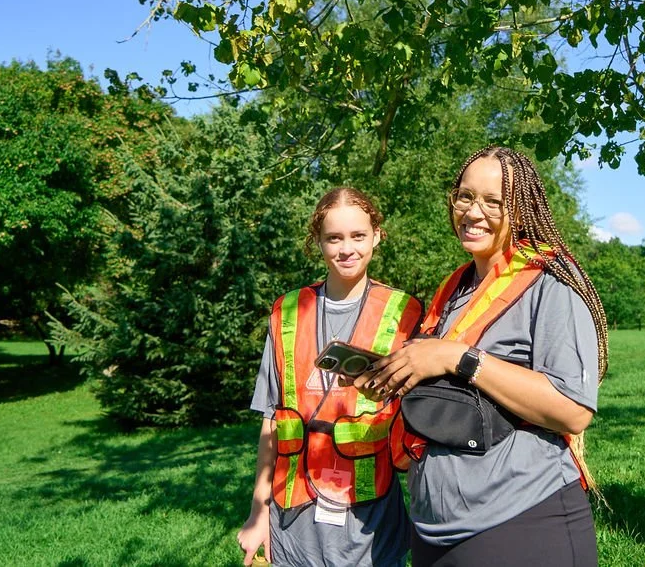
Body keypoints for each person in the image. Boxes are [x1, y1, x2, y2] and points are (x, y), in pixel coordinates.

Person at [357, 146, 609, 567]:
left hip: (520, 523)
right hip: (435, 530)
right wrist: (394, 376)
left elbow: (573, 408)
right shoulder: (455, 288)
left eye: (494, 201)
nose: (474, 212)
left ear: (523, 209)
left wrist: (460, 358)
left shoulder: (551, 283)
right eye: (465, 196)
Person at [238, 187, 423, 567]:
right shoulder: (287, 311)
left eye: (358, 236)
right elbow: (272, 419)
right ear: (317, 242)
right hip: (293, 524)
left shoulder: (405, 313)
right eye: (333, 238)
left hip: (371, 524)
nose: (346, 248)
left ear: (377, 236)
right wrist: (259, 514)